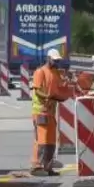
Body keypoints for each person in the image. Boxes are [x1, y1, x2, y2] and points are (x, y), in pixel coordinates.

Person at [30, 48, 66, 176]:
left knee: (50, 140)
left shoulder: (55, 73)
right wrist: (47, 97)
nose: (56, 63)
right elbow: (37, 90)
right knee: (41, 140)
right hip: (40, 111)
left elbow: (60, 87)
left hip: (50, 112)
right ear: (48, 58)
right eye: (54, 60)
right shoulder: (40, 72)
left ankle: (48, 167)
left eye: (57, 61)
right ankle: (37, 166)